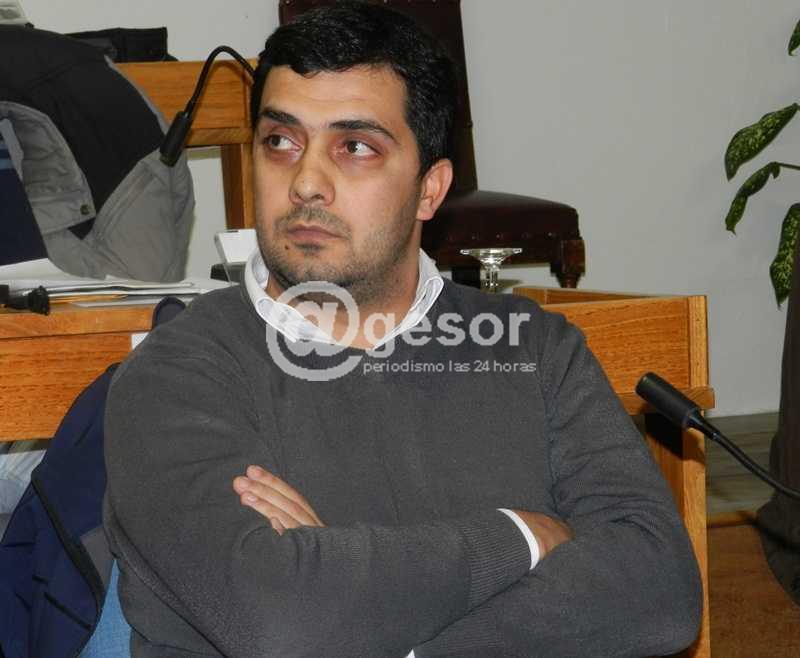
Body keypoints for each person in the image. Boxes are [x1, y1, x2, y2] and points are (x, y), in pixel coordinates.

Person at [103, 3, 702, 657]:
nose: (306, 182)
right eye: (280, 141)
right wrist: (523, 537)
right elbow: (281, 620)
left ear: (429, 190)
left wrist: (356, 604)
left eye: (355, 147)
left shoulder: (533, 350)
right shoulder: (174, 376)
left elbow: (659, 589)